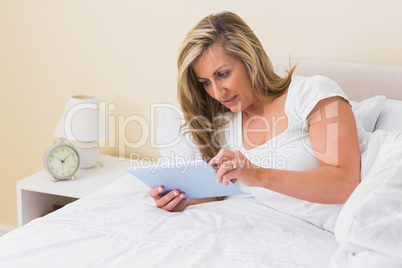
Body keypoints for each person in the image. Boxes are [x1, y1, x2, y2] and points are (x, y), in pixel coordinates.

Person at [149, 11, 363, 230]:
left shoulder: (310, 93)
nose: (217, 92)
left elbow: (345, 183)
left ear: (250, 59)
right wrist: (179, 198)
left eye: (223, 74)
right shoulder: (225, 126)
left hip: (378, 195)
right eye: (205, 82)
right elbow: (221, 191)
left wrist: (258, 175)